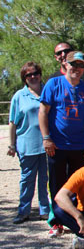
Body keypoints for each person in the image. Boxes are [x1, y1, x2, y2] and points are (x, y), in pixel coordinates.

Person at [39, 50, 84, 237]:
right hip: (57, 144)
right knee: (56, 184)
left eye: (81, 65)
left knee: (78, 185)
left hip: (79, 145)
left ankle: (76, 219)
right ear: (65, 65)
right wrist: (46, 138)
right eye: (73, 64)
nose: (77, 69)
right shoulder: (53, 84)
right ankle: (56, 221)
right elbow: (43, 113)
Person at [8, 62, 50, 224]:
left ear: (40, 74)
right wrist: (11, 145)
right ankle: (23, 211)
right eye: (28, 75)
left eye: (35, 73)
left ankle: (45, 210)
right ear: (24, 78)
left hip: (47, 144)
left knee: (45, 179)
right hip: (27, 144)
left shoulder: (48, 91)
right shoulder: (19, 96)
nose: (33, 77)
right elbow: (13, 122)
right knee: (27, 179)